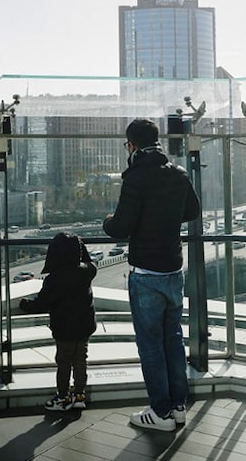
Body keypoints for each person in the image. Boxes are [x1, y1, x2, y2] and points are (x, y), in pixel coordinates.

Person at [103, 118, 201, 432]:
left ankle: (159, 412)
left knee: (150, 346)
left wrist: (107, 220)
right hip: (174, 270)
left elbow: (120, 227)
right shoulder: (179, 173)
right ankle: (178, 407)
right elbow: (192, 212)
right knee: (173, 340)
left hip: (146, 272)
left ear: (131, 145)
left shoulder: (136, 178)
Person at [20, 232, 97, 411]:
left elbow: (42, 303)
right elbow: (90, 261)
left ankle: (62, 397)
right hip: (84, 326)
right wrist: (80, 243)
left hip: (64, 329)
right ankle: (79, 395)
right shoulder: (87, 271)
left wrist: (26, 305)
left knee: (64, 362)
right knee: (80, 360)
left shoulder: (54, 279)